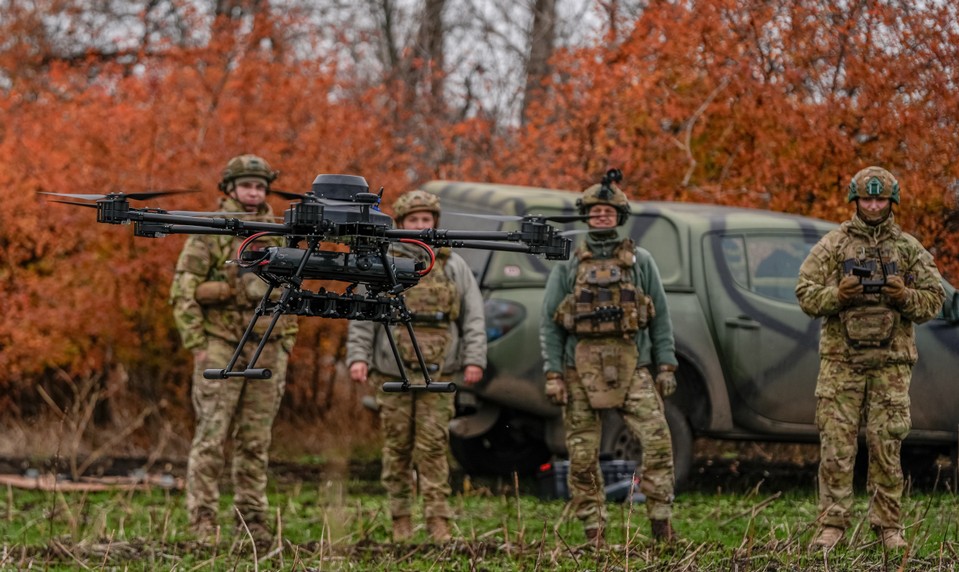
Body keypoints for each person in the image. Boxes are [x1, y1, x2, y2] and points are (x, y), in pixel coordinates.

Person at [796, 166, 945, 551]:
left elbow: (934, 300)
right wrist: (838, 296)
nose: (874, 205)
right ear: (855, 200)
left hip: (891, 365)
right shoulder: (834, 244)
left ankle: (888, 527)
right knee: (837, 445)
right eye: (867, 198)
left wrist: (903, 297)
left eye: (881, 199)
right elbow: (804, 292)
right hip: (841, 363)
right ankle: (832, 526)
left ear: (891, 201)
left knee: (887, 444)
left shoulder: (908, 248)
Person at [540, 172, 679, 546]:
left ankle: (661, 524)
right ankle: (594, 531)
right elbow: (550, 322)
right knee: (583, 455)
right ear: (586, 216)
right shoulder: (568, 263)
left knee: (658, 441)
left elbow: (661, 316)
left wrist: (666, 365)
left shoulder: (641, 261)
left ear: (620, 215)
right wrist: (554, 373)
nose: (602, 216)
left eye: (609, 211)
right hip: (578, 369)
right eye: (595, 211)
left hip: (633, 364)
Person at [169, 154, 298, 547]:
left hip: (267, 346)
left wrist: (287, 342)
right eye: (246, 185)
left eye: (260, 187)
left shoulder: (279, 232)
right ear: (229, 188)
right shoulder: (210, 231)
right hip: (221, 344)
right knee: (212, 435)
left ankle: (252, 521)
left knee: (255, 440)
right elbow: (183, 291)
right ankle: (203, 520)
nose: (253, 193)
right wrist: (198, 346)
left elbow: (295, 294)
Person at [346, 190, 486, 542]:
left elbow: (473, 317)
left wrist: (474, 359)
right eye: (414, 220)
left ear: (434, 223)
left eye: (426, 220)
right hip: (391, 372)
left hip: (438, 374)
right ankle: (401, 520)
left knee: (434, 446)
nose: (421, 226)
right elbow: (362, 315)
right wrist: (358, 357)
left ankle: (438, 519)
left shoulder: (452, 265)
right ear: (402, 223)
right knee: (397, 448)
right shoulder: (383, 261)